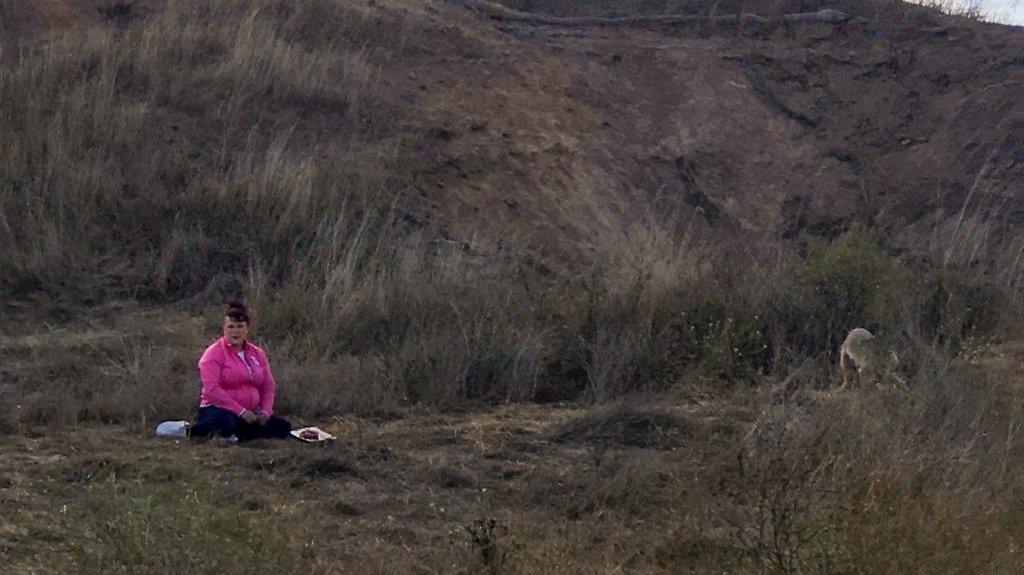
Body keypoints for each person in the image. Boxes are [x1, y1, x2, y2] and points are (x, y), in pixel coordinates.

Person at [190, 299, 292, 442]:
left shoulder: (257, 353)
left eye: (240, 326)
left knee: (283, 427)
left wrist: (265, 412)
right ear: (224, 329)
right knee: (226, 422)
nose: (235, 331)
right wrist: (240, 411)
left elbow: (268, 386)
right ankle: (189, 430)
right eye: (231, 327)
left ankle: (240, 434)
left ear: (247, 328)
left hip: (251, 412)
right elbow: (212, 390)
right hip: (218, 408)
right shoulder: (213, 354)